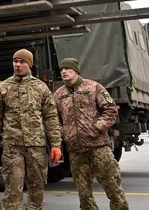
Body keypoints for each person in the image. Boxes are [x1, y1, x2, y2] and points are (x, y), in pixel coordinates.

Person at [0, 49, 62, 210]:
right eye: (15, 61)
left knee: (37, 189)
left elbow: (51, 118)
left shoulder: (40, 87)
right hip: (12, 147)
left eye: (22, 62)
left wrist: (56, 144)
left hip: (36, 147)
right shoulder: (3, 87)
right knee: (12, 190)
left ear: (29, 65)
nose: (18, 65)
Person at [53, 58, 129, 210]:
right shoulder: (59, 94)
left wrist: (96, 128)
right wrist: (64, 133)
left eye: (67, 69)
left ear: (76, 70)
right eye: (62, 69)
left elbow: (111, 110)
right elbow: (54, 119)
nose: (64, 72)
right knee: (84, 193)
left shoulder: (94, 87)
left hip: (98, 147)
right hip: (75, 151)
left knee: (113, 187)